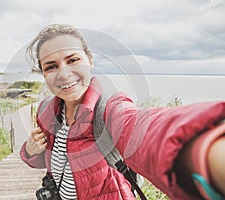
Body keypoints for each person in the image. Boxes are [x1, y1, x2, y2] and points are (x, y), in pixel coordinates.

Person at [20, 24, 225, 200]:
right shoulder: (47, 111)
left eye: (72, 60)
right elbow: (49, 160)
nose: (64, 74)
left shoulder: (110, 108)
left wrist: (205, 149)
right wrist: (29, 151)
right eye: (51, 66)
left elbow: (138, 128)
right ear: (43, 73)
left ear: (90, 60)